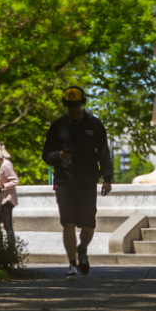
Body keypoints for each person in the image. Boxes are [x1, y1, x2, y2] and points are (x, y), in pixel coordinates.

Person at [41, 86, 113, 279]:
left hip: (88, 180)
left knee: (89, 224)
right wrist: (59, 156)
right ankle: (72, 265)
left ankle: (82, 249)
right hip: (64, 180)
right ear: (66, 106)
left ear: (83, 104)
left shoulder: (94, 125)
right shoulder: (57, 127)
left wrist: (107, 178)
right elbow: (46, 154)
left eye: (77, 105)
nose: (74, 109)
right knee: (68, 222)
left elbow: (104, 153)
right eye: (70, 106)